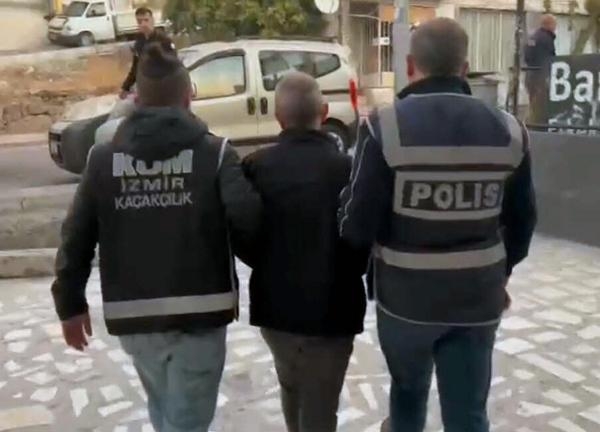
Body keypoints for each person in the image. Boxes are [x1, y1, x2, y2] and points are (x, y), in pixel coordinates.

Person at [51, 41, 261, 432]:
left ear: (136, 100)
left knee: (165, 410)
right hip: (201, 315)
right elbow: (248, 223)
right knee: (186, 422)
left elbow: (76, 234)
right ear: (188, 98)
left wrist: (69, 303)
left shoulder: (102, 160)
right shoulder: (216, 154)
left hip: (135, 319)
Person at [339, 18, 537, 432]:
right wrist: (500, 274)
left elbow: (357, 225)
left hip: (405, 302)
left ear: (411, 65)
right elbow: (523, 223)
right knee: (468, 414)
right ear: (464, 69)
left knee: (408, 399)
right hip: (477, 298)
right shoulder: (510, 131)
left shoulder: (384, 128)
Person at [242, 71, 368, 432]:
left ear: (278, 117)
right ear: (324, 112)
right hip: (334, 310)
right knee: (320, 407)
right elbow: (362, 234)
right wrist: (352, 267)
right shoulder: (349, 170)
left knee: (291, 387)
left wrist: (262, 261)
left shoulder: (255, 167)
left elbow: (240, 225)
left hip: (275, 310)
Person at [120, 7, 172, 99]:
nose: (143, 24)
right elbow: (136, 67)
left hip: (162, 89)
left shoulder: (163, 40)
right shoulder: (139, 42)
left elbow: (172, 66)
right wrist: (126, 87)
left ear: (152, 20)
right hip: (145, 90)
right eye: (140, 21)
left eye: (146, 20)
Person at [525, 14, 557, 124]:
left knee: (533, 103)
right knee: (542, 104)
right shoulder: (546, 39)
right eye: (554, 25)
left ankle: (532, 125)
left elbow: (527, 56)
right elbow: (550, 58)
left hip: (530, 74)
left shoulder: (533, 37)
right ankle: (540, 126)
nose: (555, 28)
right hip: (541, 77)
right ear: (549, 25)